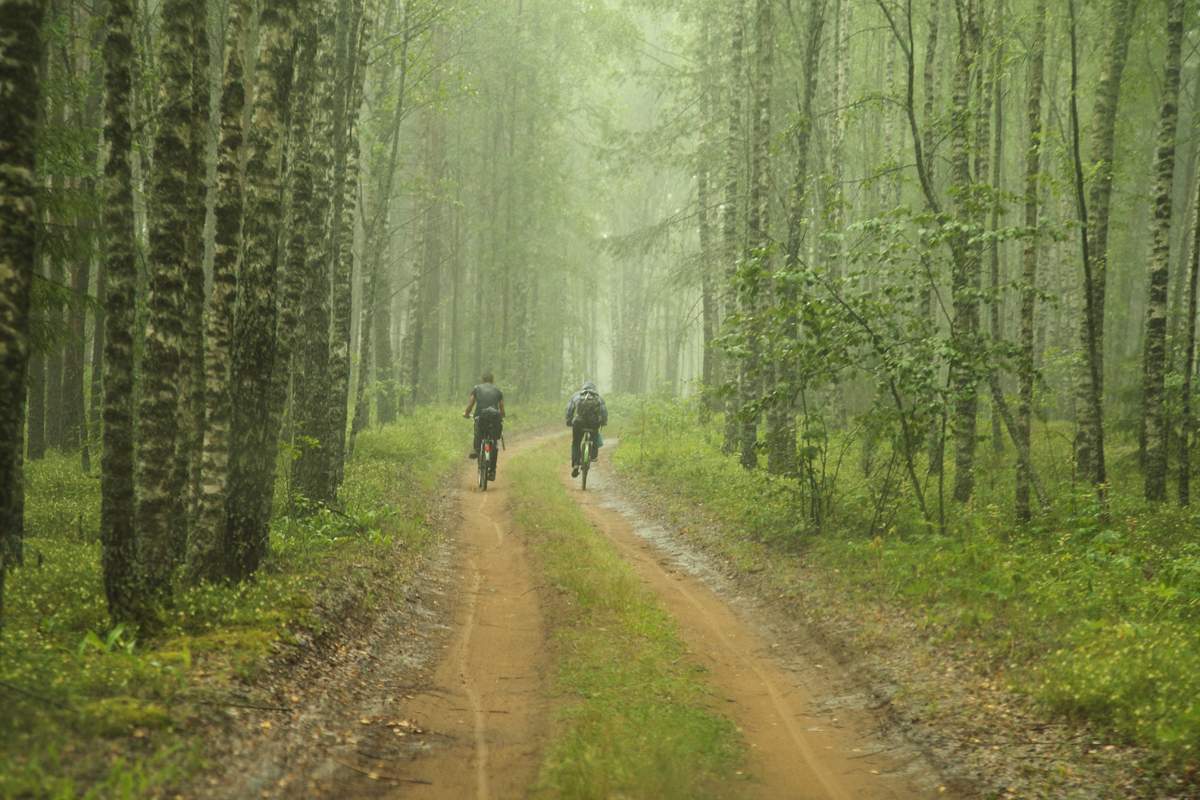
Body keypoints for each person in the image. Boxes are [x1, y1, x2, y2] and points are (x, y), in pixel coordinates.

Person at [463, 371, 505, 477]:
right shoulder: (498, 390)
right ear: (492, 380)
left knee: (478, 432)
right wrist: (502, 416)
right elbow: (502, 408)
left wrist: (466, 413)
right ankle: (492, 471)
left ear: (482, 380)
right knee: (494, 443)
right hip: (494, 418)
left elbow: (471, 403)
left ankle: (476, 450)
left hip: (480, 417)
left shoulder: (477, 388)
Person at [565, 381, 608, 478]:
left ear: (583, 388)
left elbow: (569, 409)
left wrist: (568, 420)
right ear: (594, 389)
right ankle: (593, 455)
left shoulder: (576, 395)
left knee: (576, 442)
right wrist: (604, 422)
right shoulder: (598, 397)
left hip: (578, 423)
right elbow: (604, 411)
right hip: (593, 423)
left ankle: (576, 464)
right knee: (595, 436)